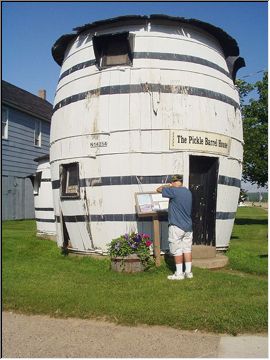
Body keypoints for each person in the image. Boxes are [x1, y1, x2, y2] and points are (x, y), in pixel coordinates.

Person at [156, 175, 193, 280]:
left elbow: (158, 189)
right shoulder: (187, 192)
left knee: (176, 250)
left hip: (176, 225)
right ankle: (188, 272)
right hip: (188, 226)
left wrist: (168, 185)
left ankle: (179, 274)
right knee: (187, 249)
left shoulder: (174, 191)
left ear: (173, 182)